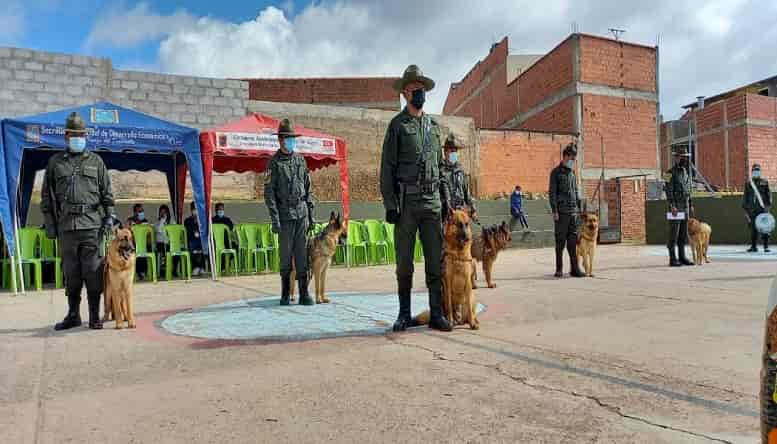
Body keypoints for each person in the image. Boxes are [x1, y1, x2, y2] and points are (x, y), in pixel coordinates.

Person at [380, 64, 452, 332]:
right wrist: (391, 205)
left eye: (421, 89)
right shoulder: (397, 126)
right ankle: (404, 314)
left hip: (432, 201)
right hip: (407, 203)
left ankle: (437, 314)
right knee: (404, 264)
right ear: (405, 94)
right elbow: (387, 167)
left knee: (435, 261)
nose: (418, 93)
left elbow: (441, 168)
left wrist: (446, 201)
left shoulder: (433, 127)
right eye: (413, 90)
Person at [41, 112, 115, 330]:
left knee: (93, 272)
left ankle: (94, 316)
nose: (78, 138)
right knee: (71, 274)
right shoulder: (55, 163)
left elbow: (107, 193)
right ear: (66, 136)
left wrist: (109, 216)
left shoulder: (96, 161)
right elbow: (47, 197)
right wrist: (51, 226)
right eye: (75, 135)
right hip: (66, 227)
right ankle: (73, 315)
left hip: (92, 225)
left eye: (82, 135)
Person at [264, 118, 315, 306]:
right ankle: (285, 293)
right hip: (285, 215)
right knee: (285, 255)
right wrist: (275, 220)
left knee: (302, 254)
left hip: (301, 213)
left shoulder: (301, 160)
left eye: (292, 138)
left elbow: (308, 189)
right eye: (287, 138)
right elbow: (269, 195)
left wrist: (311, 214)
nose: (290, 141)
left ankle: (304, 293)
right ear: (280, 140)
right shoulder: (273, 163)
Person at [549, 143, 585, 278]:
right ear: (565, 156)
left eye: (574, 159)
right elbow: (552, 193)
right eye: (572, 158)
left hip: (573, 212)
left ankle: (574, 268)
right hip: (561, 212)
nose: (573, 161)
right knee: (560, 241)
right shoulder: (555, 173)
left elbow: (575, 191)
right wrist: (555, 211)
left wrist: (579, 207)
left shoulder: (572, 173)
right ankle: (559, 269)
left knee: (572, 242)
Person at [664, 146, 695, 266]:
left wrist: (691, 204)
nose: (685, 159)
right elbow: (668, 191)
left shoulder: (685, 172)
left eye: (686, 157)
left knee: (683, 234)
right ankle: (672, 259)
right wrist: (672, 205)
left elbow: (688, 189)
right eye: (683, 157)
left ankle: (682, 257)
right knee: (674, 234)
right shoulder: (668, 173)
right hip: (675, 207)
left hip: (685, 206)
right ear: (676, 158)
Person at [441, 133, 476, 219]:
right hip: (445, 213)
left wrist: (473, 209)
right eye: (452, 151)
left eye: (456, 151)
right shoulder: (440, 171)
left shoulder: (460, 171)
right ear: (445, 152)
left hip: (460, 212)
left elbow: (467, 193)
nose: (454, 154)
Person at [743, 163, 772, 252]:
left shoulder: (765, 182)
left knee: (765, 229)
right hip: (752, 209)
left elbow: (769, 195)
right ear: (752, 172)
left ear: (760, 171)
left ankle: (766, 247)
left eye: (758, 170)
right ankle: (753, 246)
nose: (756, 172)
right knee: (753, 229)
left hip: (763, 210)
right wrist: (745, 209)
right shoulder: (748, 183)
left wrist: (767, 206)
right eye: (755, 170)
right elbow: (746, 197)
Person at [127, 203, 150, 279]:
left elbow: (149, 234)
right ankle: (137, 272)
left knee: (144, 249)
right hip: (132, 243)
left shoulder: (145, 221)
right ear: (135, 212)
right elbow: (127, 232)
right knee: (134, 249)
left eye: (142, 211)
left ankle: (143, 272)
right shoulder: (130, 220)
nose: (141, 213)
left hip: (143, 243)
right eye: (139, 211)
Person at [184, 201, 205, 276]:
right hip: (192, 241)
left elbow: (204, 231)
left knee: (205, 247)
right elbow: (188, 232)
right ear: (191, 210)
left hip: (201, 241)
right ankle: (196, 266)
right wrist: (194, 222)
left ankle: (201, 267)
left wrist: (199, 222)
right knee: (191, 247)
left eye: (196, 209)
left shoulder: (203, 220)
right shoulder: (187, 221)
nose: (195, 211)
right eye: (194, 209)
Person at [154, 205, 171, 274]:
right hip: (160, 244)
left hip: (170, 243)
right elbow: (159, 230)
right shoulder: (157, 223)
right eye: (161, 212)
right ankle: (163, 269)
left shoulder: (172, 221)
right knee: (164, 248)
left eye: (165, 212)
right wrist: (162, 221)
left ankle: (172, 269)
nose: (163, 214)